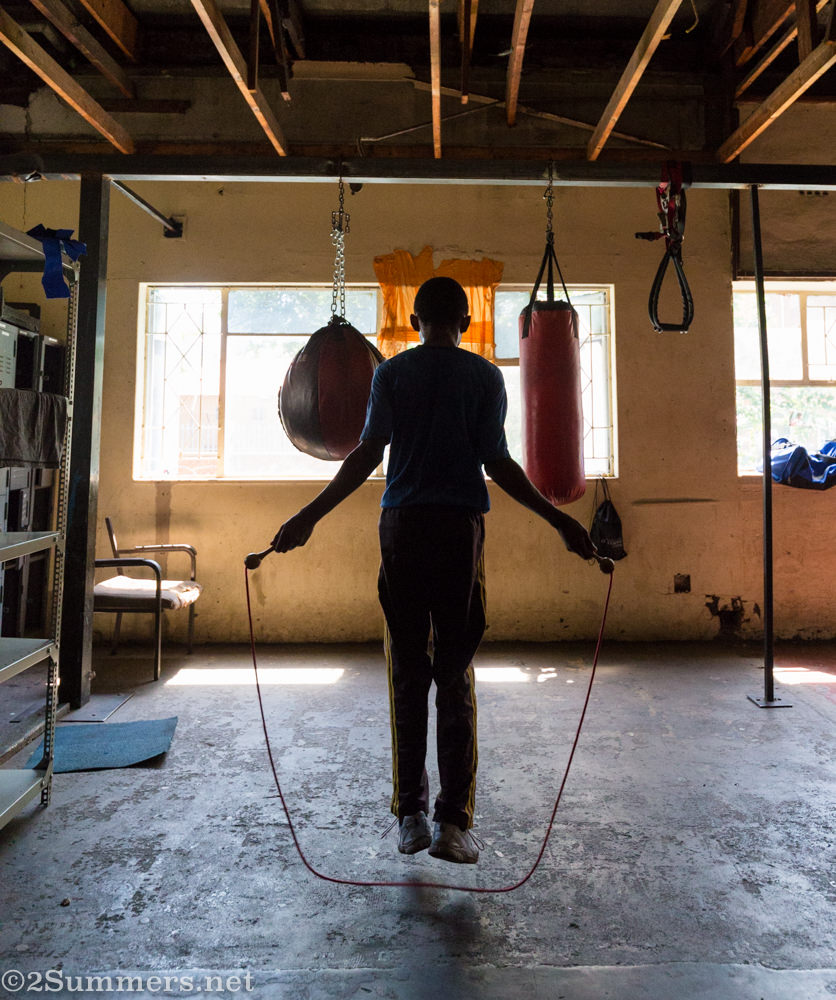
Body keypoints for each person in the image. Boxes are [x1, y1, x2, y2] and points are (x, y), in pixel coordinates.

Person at [272, 276, 595, 864]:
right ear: (467, 324)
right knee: (454, 673)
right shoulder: (485, 377)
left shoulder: (392, 375)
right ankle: (453, 825)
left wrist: (308, 516)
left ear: (416, 319)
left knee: (407, 674)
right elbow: (497, 462)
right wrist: (560, 521)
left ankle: (410, 818)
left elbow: (367, 455)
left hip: (402, 531)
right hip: (458, 532)